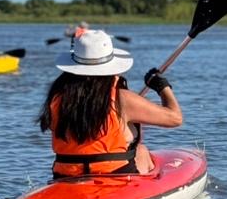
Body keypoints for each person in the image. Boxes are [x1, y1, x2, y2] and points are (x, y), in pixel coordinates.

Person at [37, 29, 181, 177]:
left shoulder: (57, 98)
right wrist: (162, 87)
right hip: (113, 174)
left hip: (66, 175)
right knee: (141, 151)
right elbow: (175, 118)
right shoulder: (122, 99)